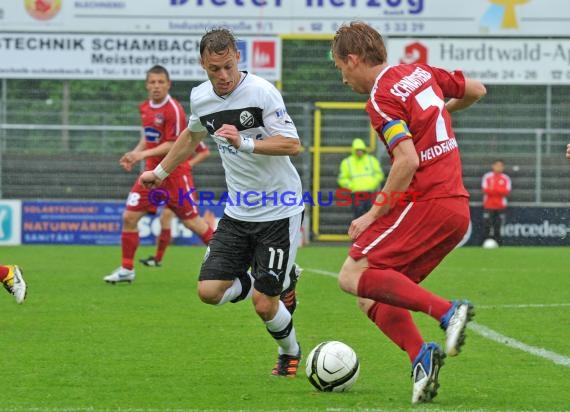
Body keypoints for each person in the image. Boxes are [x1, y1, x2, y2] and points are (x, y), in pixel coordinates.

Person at [331, 21, 486, 404]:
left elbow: (406, 161)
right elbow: (477, 90)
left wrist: (372, 214)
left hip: (427, 201)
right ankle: (421, 357)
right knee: (372, 295)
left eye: (340, 68)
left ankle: (448, 312)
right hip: (456, 209)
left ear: (352, 59)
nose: (343, 78)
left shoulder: (381, 97)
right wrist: (441, 115)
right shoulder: (419, 72)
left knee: (353, 275)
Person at [139, 28, 304, 377]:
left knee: (263, 304)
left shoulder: (261, 92)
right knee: (209, 291)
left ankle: (290, 351)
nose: (224, 76)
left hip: (279, 208)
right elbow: (192, 134)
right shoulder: (201, 98)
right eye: (215, 69)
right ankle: (278, 277)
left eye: (228, 66)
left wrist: (245, 143)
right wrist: (161, 170)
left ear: (238, 58)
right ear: (203, 64)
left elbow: (292, 144)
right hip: (237, 212)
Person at [104, 65, 214, 284]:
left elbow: (173, 144)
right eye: (152, 82)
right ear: (146, 85)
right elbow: (149, 137)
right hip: (149, 176)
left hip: (173, 174)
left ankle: (233, 260)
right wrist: (135, 153)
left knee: (194, 224)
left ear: (168, 84)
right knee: (129, 217)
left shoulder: (173, 109)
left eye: (161, 82)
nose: (156, 86)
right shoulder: (145, 107)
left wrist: (142, 154)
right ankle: (127, 269)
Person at [139, 143, 211, 267]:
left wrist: (188, 164)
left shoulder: (187, 131)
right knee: (165, 219)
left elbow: (205, 152)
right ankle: (158, 259)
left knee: (192, 222)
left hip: (179, 181)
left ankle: (225, 254)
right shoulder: (163, 133)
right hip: (165, 181)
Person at [338, 137, 385, 218]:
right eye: (357, 150)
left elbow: (379, 174)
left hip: (370, 193)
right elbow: (342, 179)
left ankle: (370, 231)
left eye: (361, 150)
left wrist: (373, 183)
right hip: (356, 194)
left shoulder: (371, 160)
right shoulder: (347, 162)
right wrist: (351, 186)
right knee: (358, 215)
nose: (359, 152)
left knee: (372, 216)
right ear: (354, 150)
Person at [481, 159, 511, 246]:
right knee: (487, 225)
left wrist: (493, 189)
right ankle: (485, 243)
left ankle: (499, 243)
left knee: (498, 226)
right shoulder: (487, 177)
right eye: (497, 165)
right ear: (493, 166)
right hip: (489, 205)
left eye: (500, 166)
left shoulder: (506, 178)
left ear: (503, 167)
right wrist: (497, 190)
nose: (498, 167)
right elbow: (485, 190)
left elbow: (506, 191)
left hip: (500, 206)